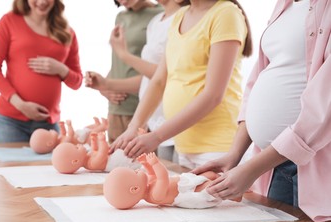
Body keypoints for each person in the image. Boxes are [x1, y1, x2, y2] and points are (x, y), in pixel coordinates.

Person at [191, 0, 331, 222]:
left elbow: (325, 110)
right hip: (274, 167)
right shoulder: (284, 4)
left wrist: (252, 168)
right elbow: (256, 80)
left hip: (316, 171)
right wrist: (236, 155)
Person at [107, 0, 253, 169]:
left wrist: (157, 136)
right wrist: (134, 127)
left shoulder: (226, 13)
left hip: (218, 148)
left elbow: (213, 96)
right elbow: (159, 81)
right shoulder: (179, 17)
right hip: (184, 147)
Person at [85, 0, 189, 163]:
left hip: (172, 118)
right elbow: (155, 79)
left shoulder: (183, 17)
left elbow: (163, 76)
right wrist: (105, 84)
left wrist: (123, 57)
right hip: (153, 117)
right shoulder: (155, 22)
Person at [0, 0, 83, 144]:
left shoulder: (67, 32)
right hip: (10, 122)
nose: (42, 2)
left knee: (48, 167)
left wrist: (61, 69)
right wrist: (21, 105)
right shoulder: (10, 21)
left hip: (49, 124)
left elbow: (77, 82)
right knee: (9, 167)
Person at [96, 0, 164, 144]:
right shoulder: (120, 17)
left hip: (141, 106)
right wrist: (105, 88)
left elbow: (159, 70)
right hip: (116, 108)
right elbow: (118, 59)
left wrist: (109, 84)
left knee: (145, 163)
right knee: (111, 162)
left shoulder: (161, 15)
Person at [103, 152, 240, 210]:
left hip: (185, 183)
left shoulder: (148, 185)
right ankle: (237, 195)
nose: (138, 171)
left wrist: (147, 164)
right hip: (188, 193)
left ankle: (228, 183)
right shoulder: (154, 196)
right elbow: (162, 177)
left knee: (210, 174)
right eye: (135, 173)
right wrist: (155, 163)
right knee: (212, 187)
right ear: (135, 189)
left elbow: (152, 174)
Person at [52, 131, 141, 174]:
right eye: (76, 148)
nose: (78, 145)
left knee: (127, 148)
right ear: (75, 161)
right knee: (130, 154)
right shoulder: (91, 165)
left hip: (114, 156)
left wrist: (93, 140)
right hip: (117, 162)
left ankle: (140, 138)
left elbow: (95, 150)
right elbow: (102, 154)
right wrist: (102, 141)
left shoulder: (88, 157)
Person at [29, 117, 108, 154]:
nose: (51, 130)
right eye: (49, 133)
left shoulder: (59, 138)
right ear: (50, 143)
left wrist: (62, 126)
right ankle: (103, 127)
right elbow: (70, 135)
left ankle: (97, 125)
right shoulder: (62, 144)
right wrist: (69, 125)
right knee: (92, 133)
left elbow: (63, 133)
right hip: (83, 141)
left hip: (80, 136)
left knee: (86, 128)